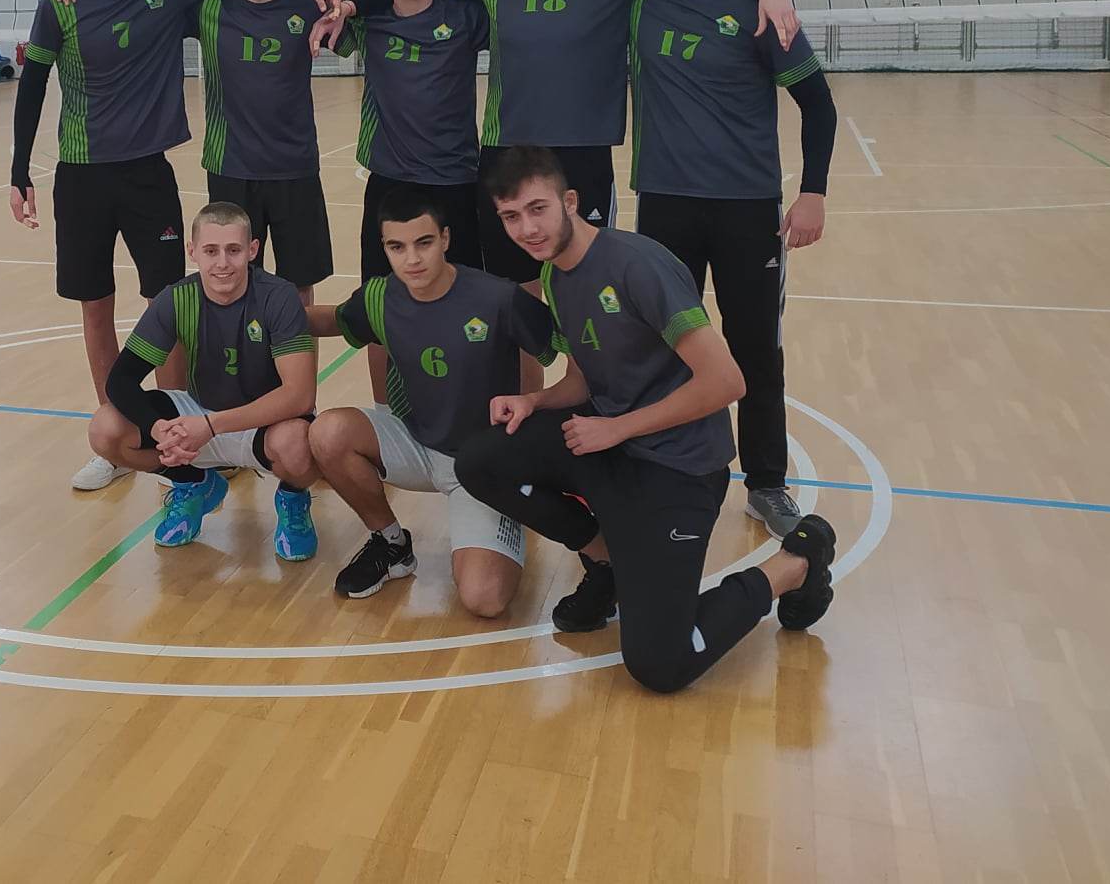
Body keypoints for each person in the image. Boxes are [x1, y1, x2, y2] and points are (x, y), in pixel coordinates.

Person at [456, 146, 837, 694]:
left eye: (537, 209)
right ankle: (605, 561)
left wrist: (616, 427)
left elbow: (727, 382)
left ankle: (795, 563)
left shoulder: (638, 266)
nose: (527, 229)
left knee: (659, 664)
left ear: (569, 201)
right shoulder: (555, 276)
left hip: (679, 467)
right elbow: (584, 378)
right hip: (613, 450)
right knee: (481, 459)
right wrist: (535, 402)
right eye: (511, 216)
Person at [12, 0, 339, 491]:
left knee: (175, 303)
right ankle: (144, 436)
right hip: (84, 175)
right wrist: (19, 169)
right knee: (97, 304)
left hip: (156, 174)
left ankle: (212, 433)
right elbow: (32, 79)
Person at [333, 0, 796, 279]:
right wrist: (352, 5)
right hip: (507, 149)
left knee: (588, 282)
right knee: (514, 288)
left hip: (584, 154)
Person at [627, 0, 837, 538]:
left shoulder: (757, 9)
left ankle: (767, 484)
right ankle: (665, 470)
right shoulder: (641, 1)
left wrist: (813, 192)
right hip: (665, 204)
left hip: (747, 208)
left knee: (755, 350)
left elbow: (818, 105)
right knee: (663, 346)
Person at [304, 186, 558, 616]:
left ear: (445, 238)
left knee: (484, 598)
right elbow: (332, 319)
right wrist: (259, 308)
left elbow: (567, 345)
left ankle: (510, 512)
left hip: (483, 463)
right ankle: (391, 544)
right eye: (397, 247)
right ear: (385, 247)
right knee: (328, 432)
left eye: (423, 243)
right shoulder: (381, 296)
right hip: (416, 442)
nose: (412, 260)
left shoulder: (496, 297)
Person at [89, 201, 322, 556]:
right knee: (105, 428)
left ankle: (293, 498)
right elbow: (120, 380)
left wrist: (212, 426)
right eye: (211, 251)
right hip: (200, 412)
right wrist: (157, 429)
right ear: (192, 251)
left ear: (252, 250)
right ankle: (194, 484)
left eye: (233, 250)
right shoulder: (177, 298)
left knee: (298, 445)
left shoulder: (278, 296)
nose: (222, 263)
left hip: (263, 421)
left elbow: (299, 396)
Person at [327, 0, 491, 406]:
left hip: (456, 180)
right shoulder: (368, 20)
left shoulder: (465, 16)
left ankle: (467, 407)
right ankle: (385, 413)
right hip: (390, 180)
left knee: (465, 300)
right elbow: (321, 13)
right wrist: (350, 4)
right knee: (379, 302)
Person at [193, 0, 335, 304]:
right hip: (231, 168)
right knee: (232, 280)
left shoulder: (310, 8)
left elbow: (366, 25)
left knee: (299, 286)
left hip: (295, 168)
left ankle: (298, 349)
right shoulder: (208, 7)